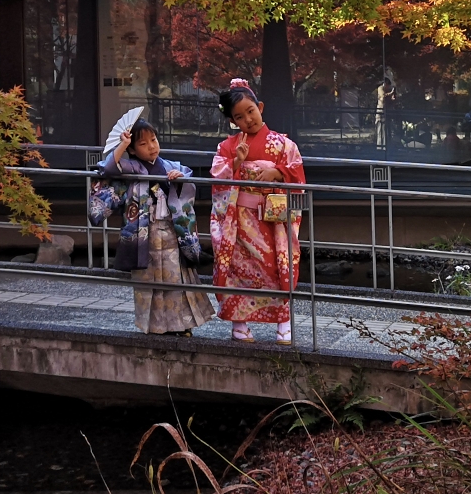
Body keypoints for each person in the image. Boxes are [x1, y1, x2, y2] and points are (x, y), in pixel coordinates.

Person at [89, 118, 214, 335]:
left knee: (177, 278)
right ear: (134, 150)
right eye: (143, 144)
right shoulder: (131, 167)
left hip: (172, 231)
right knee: (150, 280)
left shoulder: (170, 166)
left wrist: (180, 177)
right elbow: (108, 168)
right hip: (145, 234)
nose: (151, 146)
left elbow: (188, 175)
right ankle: (157, 326)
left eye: (153, 140)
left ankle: (182, 325)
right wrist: (122, 145)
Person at [210, 77, 307, 344]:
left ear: (260, 107)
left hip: (272, 221)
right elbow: (217, 178)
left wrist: (277, 171)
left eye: (250, 111)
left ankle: (283, 323)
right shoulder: (228, 147)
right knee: (238, 272)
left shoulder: (283, 145)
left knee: (277, 268)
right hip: (239, 221)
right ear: (233, 121)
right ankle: (240, 325)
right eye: (239, 117)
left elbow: (297, 173)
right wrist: (236, 163)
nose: (248, 119)